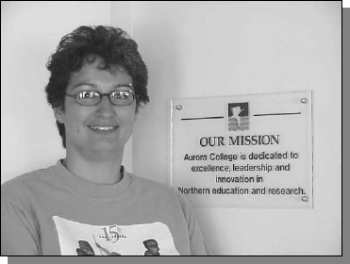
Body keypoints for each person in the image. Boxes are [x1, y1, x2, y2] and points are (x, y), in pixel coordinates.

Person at [1, 25, 207, 255]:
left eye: (121, 95)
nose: (106, 110)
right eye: (87, 95)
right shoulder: (16, 204)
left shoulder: (174, 206)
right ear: (59, 107)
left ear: (135, 108)